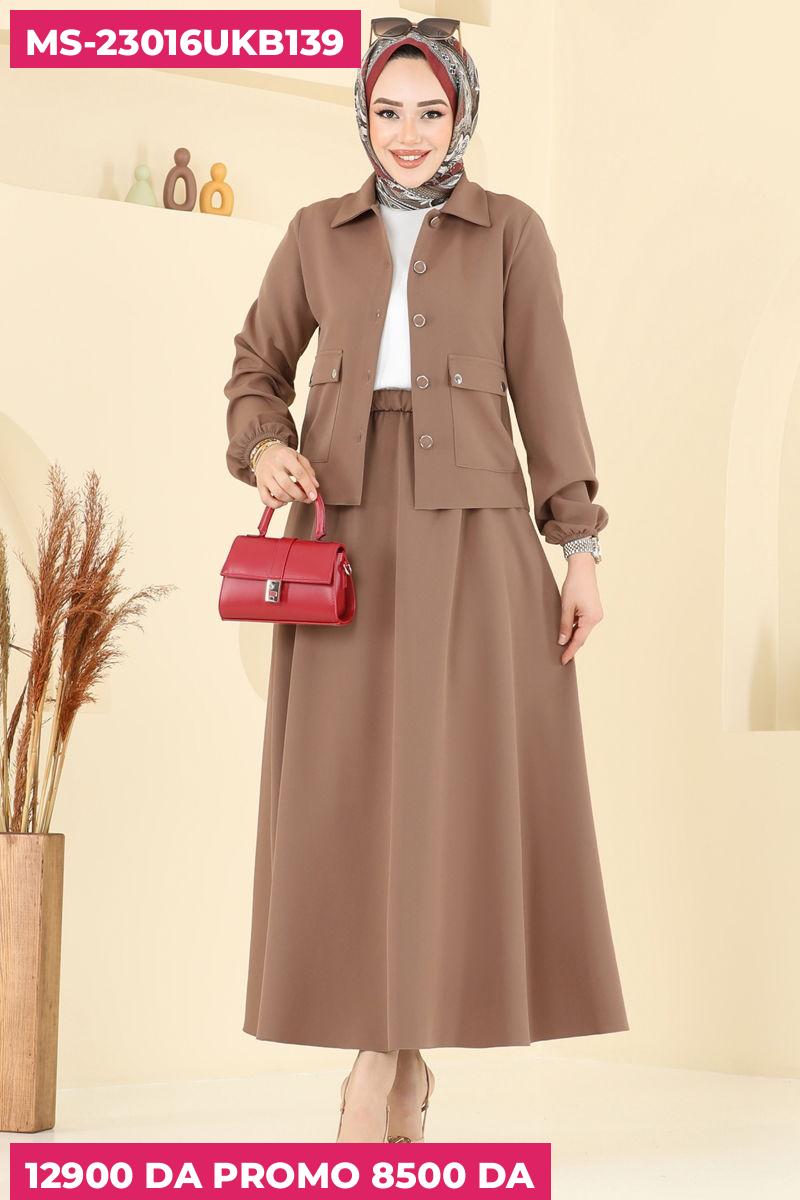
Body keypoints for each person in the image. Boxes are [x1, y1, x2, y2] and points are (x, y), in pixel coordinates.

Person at [223, 17, 629, 1144]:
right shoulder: (315, 233)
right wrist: (265, 446)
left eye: (431, 111)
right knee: (356, 796)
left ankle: (387, 1065)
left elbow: (548, 391)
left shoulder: (512, 232)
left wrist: (580, 550)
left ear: (463, 115)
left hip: (476, 540)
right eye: (388, 111)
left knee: (449, 795)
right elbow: (256, 366)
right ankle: (386, 1060)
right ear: (363, 116)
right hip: (343, 537)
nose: (408, 134)